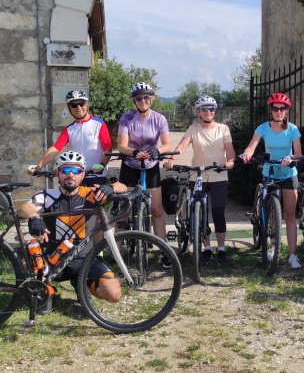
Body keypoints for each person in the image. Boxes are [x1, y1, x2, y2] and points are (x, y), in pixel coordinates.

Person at [17, 150, 126, 312]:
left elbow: (123, 186)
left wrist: (111, 187)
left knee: (113, 293)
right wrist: (33, 217)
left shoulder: (92, 194)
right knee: (36, 297)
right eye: (66, 170)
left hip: (85, 259)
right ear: (57, 174)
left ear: (83, 175)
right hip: (52, 261)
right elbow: (23, 209)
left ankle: (80, 283)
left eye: (76, 170)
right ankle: (51, 292)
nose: (71, 175)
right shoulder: (47, 195)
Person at [164, 95, 236, 265]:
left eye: (211, 108)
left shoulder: (223, 129)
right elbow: (181, 146)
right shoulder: (193, 129)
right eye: (204, 108)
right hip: (197, 175)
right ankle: (206, 248)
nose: (208, 111)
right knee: (199, 213)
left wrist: (230, 162)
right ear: (198, 111)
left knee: (218, 212)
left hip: (218, 174)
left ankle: (221, 248)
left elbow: (230, 150)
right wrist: (172, 159)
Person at [239, 92, 304, 269]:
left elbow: (298, 153)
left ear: (286, 111)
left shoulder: (292, 129)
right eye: (275, 109)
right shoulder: (263, 128)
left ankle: (292, 255)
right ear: (271, 110)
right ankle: (271, 247)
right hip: (270, 173)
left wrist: (291, 158)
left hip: (289, 174)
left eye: (282, 109)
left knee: (290, 215)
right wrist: (247, 154)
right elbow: (252, 145)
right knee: (272, 215)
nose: (278, 112)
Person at [117, 82, 172, 258]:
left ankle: (164, 252)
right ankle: (118, 252)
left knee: (156, 210)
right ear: (134, 101)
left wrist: (156, 151)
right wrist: (134, 152)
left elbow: (167, 144)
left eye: (146, 97)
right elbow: (122, 146)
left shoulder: (159, 119)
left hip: (151, 166)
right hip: (130, 166)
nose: (143, 101)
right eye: (139, 98)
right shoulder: (126, 118)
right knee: (123, 211)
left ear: (152, 99)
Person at [28, 90, 112, 186]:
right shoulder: (69, 129)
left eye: (81, 103)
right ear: (69, 108)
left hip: (96, 175)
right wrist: (39, 166)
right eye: (74, 105)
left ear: (87, 104)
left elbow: (108, 149)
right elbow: (55, 148)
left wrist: (102, 165)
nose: (78, 107)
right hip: (76, 176)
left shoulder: (98, 124)